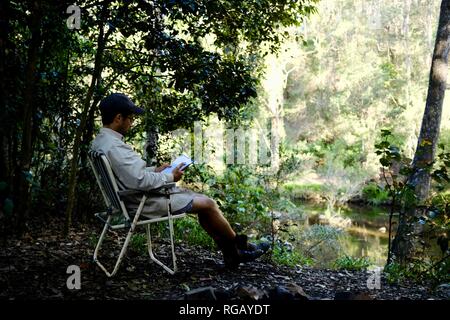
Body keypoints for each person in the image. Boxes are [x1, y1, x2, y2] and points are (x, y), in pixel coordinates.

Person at [91, 93, 269, 269]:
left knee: (203, 202)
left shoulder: (101, 142)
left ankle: (233, 253)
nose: (132, 123)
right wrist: (170, 176)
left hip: (130, 199)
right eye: (130, 118)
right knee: (208, 204)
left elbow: (130, 175)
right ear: (118, 118)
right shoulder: (115, 147)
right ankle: (238, 248)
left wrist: (155, 170)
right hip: (142, 203)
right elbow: (139, 181)